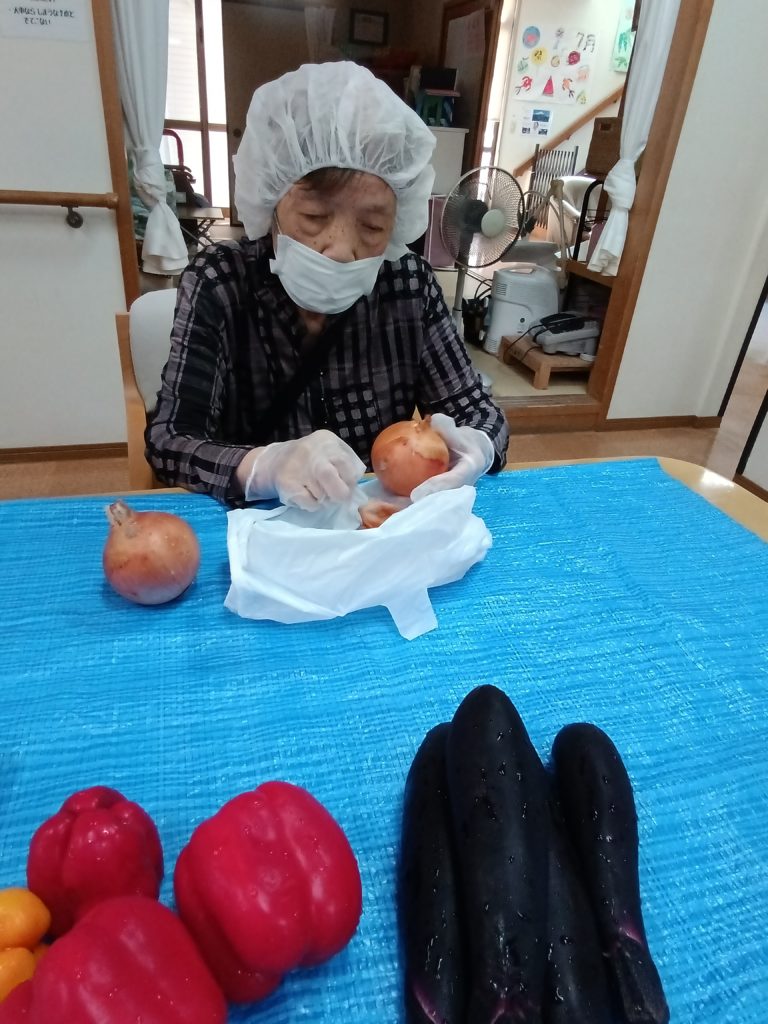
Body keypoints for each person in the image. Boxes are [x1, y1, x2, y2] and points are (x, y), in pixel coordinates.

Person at [146, 62, 509, 509]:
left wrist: (478, 444)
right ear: (270, 203)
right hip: (257, 523)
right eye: (314, 217)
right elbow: (170, 441)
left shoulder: (409, 286)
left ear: (398, 224)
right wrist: (264, 467)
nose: (340, 249)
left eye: (372, 226)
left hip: (370, 524)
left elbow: (478, 411)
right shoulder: (221, 282)